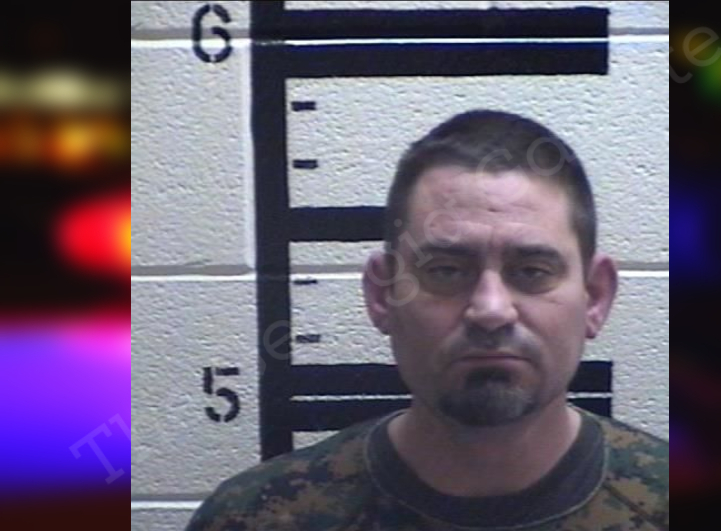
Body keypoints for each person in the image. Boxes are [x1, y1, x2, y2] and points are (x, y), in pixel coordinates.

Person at [186, 110, 669, 530]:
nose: (491, 309)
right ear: (382, 295)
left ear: (595, 297)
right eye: (445, 271)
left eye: (532, 271)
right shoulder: (258, 518)